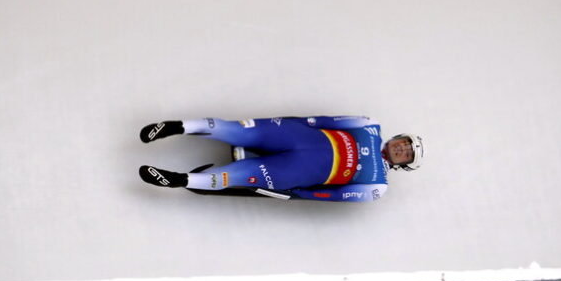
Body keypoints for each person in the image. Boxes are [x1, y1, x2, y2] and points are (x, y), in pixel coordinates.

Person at [138, 116, 423, 202]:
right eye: (404, 143)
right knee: (239, 131)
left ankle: (181, 180)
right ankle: (179, 127)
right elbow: (320, 120)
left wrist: (296, 193)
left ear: (403, 165)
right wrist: (292, 123)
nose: (401, 149)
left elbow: (331, 195)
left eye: (406, 154)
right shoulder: (368, 126)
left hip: (295, 171)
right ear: (397, 137)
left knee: (240, 175)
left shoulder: (376, 186)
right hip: (293, 136)